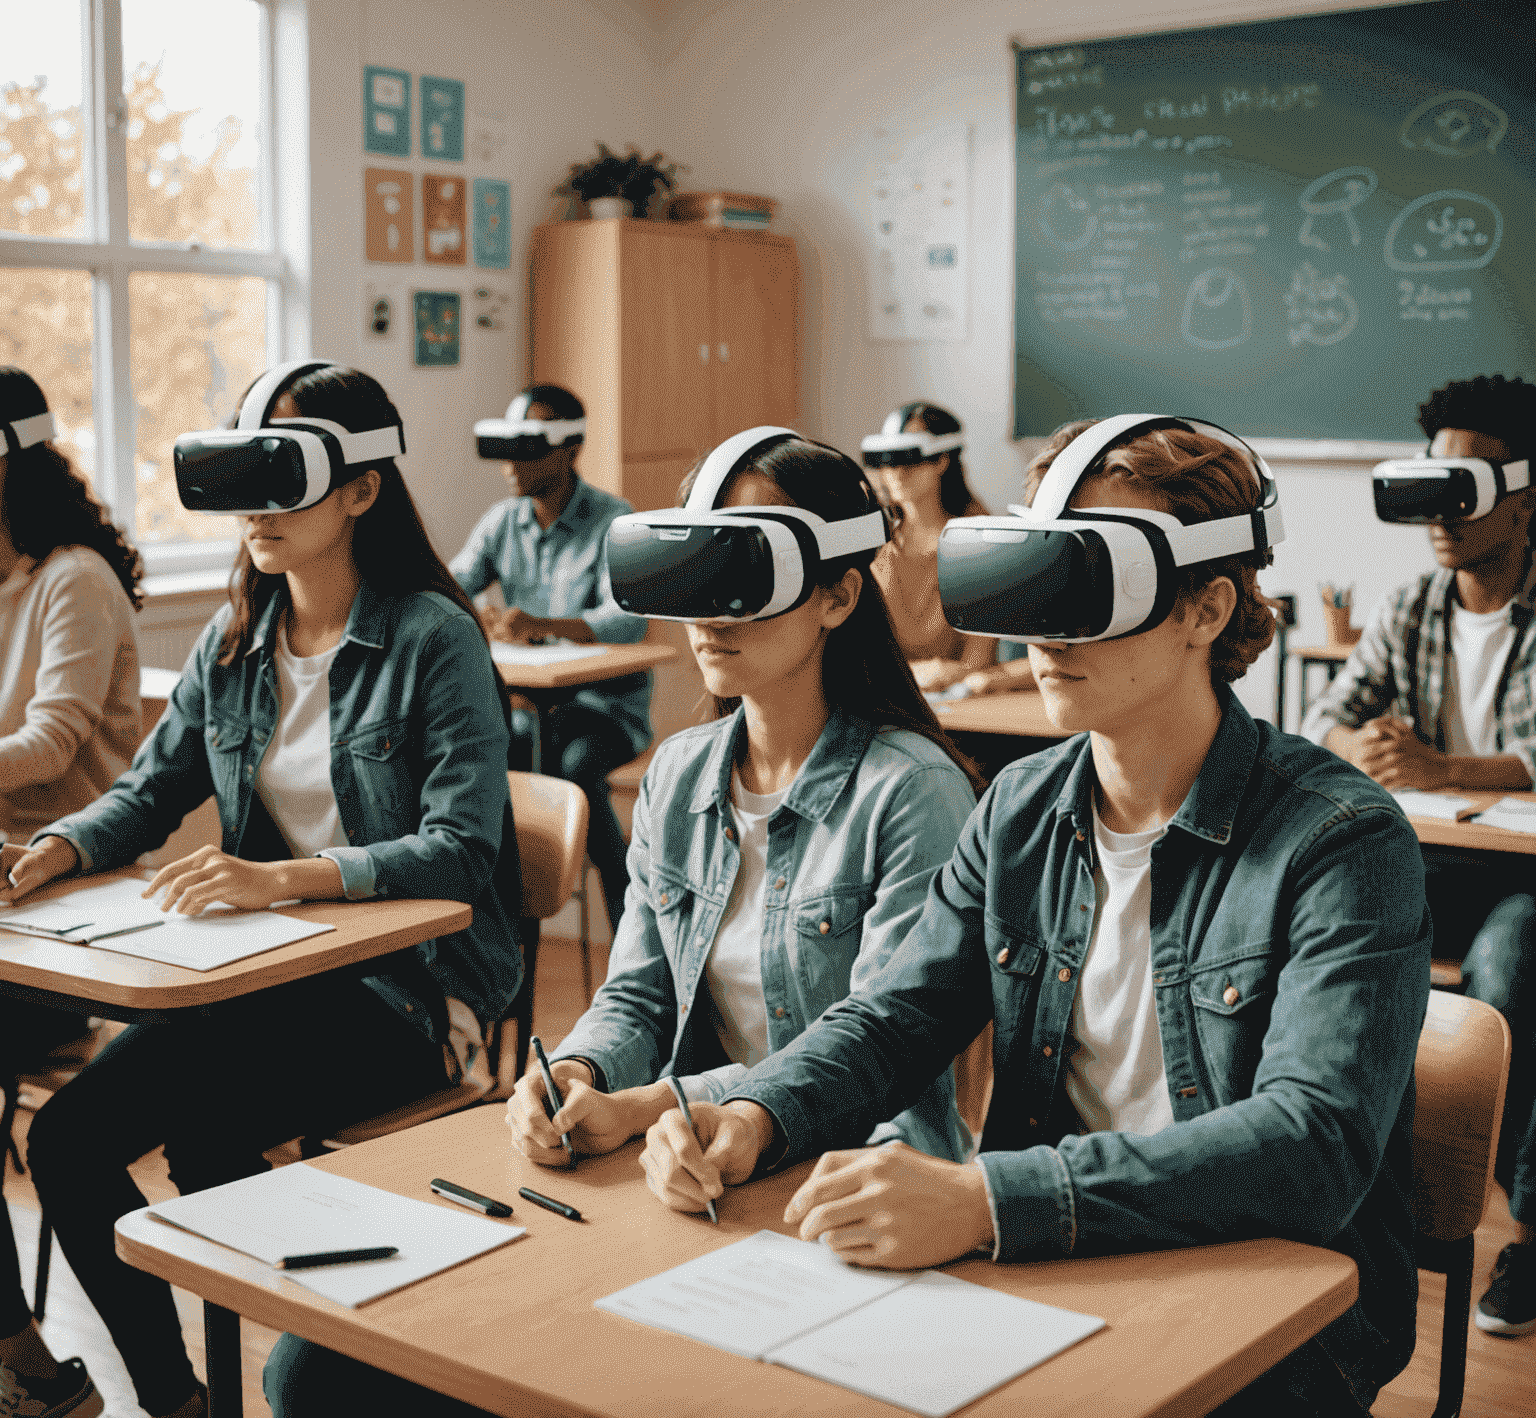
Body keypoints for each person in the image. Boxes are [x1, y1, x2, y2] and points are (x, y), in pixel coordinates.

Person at [643, 415, 1432, 1415]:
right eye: (1036, 580)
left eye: (1092, 588)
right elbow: (896, 1014)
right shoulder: (1019, 808)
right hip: (1053, 1275)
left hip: (1274, 1314)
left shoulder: (1343, 841)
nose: (1044, 634)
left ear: (1206, 605)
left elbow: (1311, 1144)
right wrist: (759, 1113)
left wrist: (985, 1199)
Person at [262, 427, 983, 1417]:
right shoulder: (685, 773)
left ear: (838, 595)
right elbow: (638, 988)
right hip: (681, 1179)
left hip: (839, 1190)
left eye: (747, 571)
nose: (708, 613)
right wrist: (583, 1072)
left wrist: (656, 1104)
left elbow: (871, 1051)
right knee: (311, 1365)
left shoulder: (913, 792)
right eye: (692, 565)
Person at [0, 362, 523, 1418]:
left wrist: (283, 877)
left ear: (362, 489)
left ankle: (333, 1370)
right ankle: (180, 1400)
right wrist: (54, 850)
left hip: (408, 993)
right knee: (67, 1142)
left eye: (279, 479)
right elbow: (146, 794)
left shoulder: (434, 638)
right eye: (237, 478)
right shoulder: (236, 637)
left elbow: (463, 851)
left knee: (204, 1138)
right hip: (253, 985)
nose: (253, 511)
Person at [1302, 373, 1536, 1337]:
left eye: (1468, 485)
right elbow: (1323, 724)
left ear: (1523, 495)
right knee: (1332, 933)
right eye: (1431, 482)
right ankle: (1353, 1198)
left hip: (1525, 880)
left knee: (1510, 972)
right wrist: (1369, 748)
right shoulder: (1411, 605)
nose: (1441, 511)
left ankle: (1520, 1230)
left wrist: (1445, 763)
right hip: (1430, 856)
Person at [0, 366, 143, 1418]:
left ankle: (29, 1367)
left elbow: (50, 749)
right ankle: (23, 1357)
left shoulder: (75, 578)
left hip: (74, 909)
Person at [452, 385, 649, 931]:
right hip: (527, 707)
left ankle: (632, 913)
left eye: (527, 449)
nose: (510, 464)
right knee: (486, 760)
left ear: (567, 450)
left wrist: (544, 625)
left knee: (574, 766)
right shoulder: (500, 523)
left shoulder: (613, 521)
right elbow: (449, 587)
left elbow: (628, 618)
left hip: (604, 709)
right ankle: (509, 925)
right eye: (506, 448)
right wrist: (472, 618)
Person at [863, 403, 999, 692]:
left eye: (909, 459)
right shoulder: (873, 538)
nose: (896, 472)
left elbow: (978, 661)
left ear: (942, 460)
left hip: (957, 701)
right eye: (888, 460)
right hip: (882, 695)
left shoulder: (980, 538)